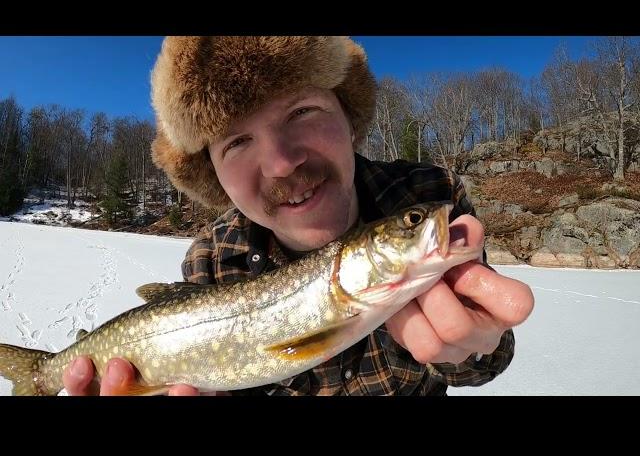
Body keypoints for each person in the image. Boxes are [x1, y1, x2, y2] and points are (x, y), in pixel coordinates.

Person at [63, 36, 534, 396]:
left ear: (349, 119)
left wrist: (477, 344)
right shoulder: (212, 261)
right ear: (215, 179)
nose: (282, 164)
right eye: (237, 142)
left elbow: (484, 360)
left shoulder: (427, 194)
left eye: (301, 111)